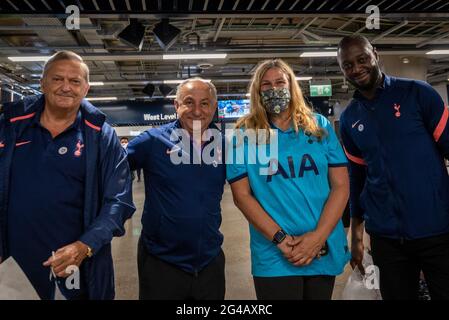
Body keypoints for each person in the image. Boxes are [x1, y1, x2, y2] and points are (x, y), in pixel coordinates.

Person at [0, 51, 135, 300]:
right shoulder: (10, 127)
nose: (66, 87)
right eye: (57, 79)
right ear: (42, 83)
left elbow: (119, 202)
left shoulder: (101, 136)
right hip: (12, 268)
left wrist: (85, 246)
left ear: (86, 88)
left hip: (77, 267)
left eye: (75, 81)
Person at [227, 59, 350, 300]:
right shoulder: (246, 134)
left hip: (321, 247)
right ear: (257, 91)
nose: (274, 89)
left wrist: (317, 238)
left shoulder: (318, 126)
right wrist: (280, 239)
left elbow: (341, 186)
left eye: (280, 82)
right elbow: (242, 196)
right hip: (274, 252)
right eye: (266, 84)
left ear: (291, 85)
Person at [337, 35, 449, 300]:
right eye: (347, 65)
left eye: (362, 59)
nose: (356, 68)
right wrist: (355, 233)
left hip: (437, 231)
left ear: (375, 54)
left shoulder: (418, 93)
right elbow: (358, 178)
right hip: (386, 238)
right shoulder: (350, 118)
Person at [127, 78, 226, 300]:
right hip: (161, 261)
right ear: (176, 105)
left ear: (214, 107)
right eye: (189, 102)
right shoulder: (152, 141)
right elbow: (109, 171)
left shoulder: (224, 145)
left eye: (205, 103)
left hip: (209, 261)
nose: (197, 111)